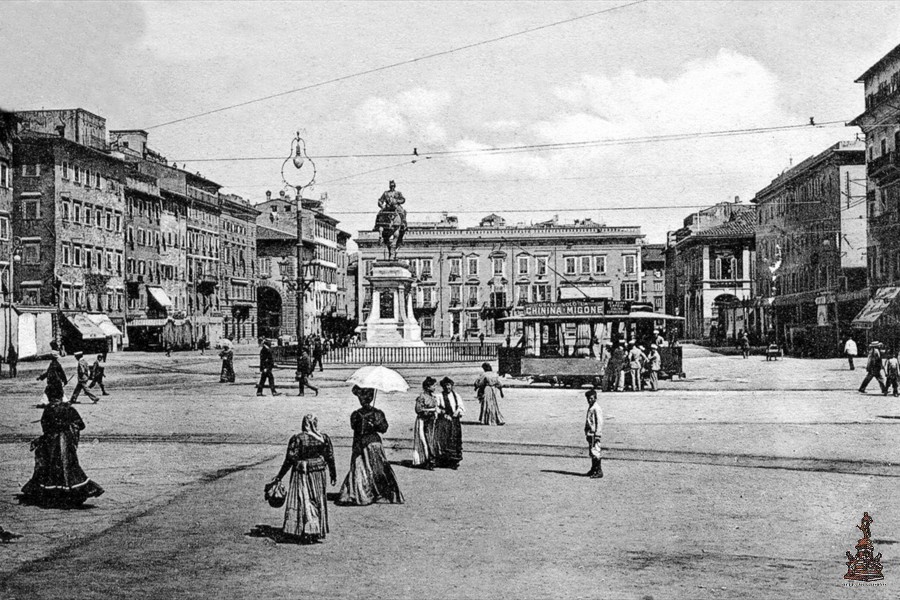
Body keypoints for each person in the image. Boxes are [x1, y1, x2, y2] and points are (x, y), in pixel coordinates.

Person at [20, 394, 104, 506]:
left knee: (49, 468)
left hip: (50, 443)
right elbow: (81, 425)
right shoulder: (69, 408)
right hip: (66, 443)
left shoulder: (48, 409)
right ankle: (71, 492)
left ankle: (50, 494)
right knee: (70, 467)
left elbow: (45, 428)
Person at [270, 414, 336, 544]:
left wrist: (279, 476)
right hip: (319, 473)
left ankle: (305, 530)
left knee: (304, 499)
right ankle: (315, 530)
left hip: (303, 473)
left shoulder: (298, 439)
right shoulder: (324, 438)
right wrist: (333, 474)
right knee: (317, 500)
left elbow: (289, 460)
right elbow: (330, 456)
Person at [337, 386, 404, 505]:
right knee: (377, 467)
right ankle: (379, 493)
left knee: (360, 466)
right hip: (373, 442)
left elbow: (355, 427)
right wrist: (375, 423)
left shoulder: (356, 414)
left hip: (361, 442)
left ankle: (361, 493)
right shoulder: (377, 413)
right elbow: (384, 429)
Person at [433, 376, 464, 469]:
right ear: (443, 386)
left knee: (455, 440)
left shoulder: (456, 396)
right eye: (445, 385)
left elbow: (461, 406)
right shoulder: (439, 396)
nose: (448, 387)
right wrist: (443, 413)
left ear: (452, 385)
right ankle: (445, 460)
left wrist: (457, 412)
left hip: (454, 421)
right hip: (444, 422)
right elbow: (436, 407)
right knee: (444, 440)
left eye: (449, 385)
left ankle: (455, 461)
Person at [412, 377, 439, 469]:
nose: (435, 387)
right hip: (423, 420)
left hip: (431, 420)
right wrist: (431, 410)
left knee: (431, 440)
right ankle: (424, 460)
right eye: (433, 385)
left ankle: (431, 460)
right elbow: (418, 409)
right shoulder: (421, 397)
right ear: (427, 387)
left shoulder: (433, 396)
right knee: (423, 440)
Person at [584, 388, 603, 479]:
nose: (589, 400)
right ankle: (593, 468)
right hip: (590, 433)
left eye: (591, 398)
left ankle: (598, 470)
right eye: (588, 398)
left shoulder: (596, 408)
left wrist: (598, 434)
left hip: (594, 434)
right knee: (592, 451)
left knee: (595, 451)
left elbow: (599, 422)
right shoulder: (591, 407)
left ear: (595, 398)